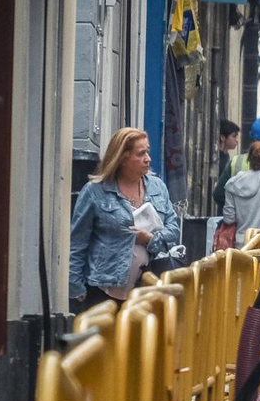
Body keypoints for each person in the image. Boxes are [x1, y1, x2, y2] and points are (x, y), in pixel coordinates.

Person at [69, 127, 181, 312]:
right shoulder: (95, 191)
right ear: (122, 158)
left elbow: (173, 229)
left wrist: (150, 239)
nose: (148, 159)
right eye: (141, 153)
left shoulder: (157, 187)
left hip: (147, 286)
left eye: (148, 152)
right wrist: (76, 289)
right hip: (103, 288)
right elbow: (78, 242)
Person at [215, 120, 239, 214]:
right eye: (234, 136)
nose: (236, 139)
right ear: (222, 137)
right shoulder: (217, 158)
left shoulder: (227, 156)